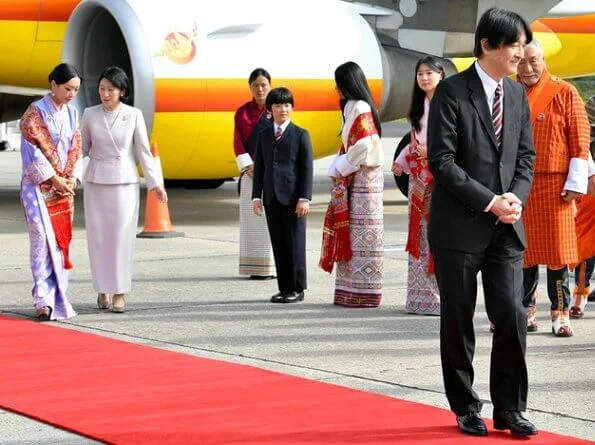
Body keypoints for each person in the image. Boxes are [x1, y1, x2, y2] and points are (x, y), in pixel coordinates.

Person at [427, 8, 537, 437]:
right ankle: (466, 405)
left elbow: (525, 158)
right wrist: (490, 200)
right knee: (458, 318)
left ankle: (510, 409)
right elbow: (442, 161)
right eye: (514, 44)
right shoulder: (452, 93)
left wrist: (515, 199)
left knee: (511, 313)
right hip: (459, 228)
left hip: (506, 227)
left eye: (523, 43)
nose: (521, 53)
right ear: (487, 45)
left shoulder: (516, 96)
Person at [516, 41, 590, 336]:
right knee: (521, 254)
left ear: (544, 60)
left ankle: (560, 313)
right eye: (521, 61)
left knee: (558, 254)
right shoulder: (506, 92)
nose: (528, 68)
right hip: (518, 184)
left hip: (556, 185)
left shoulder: (564, 91)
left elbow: (580, 138)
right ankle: (524, 311)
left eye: (534, 61)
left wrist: (576, 182)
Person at [81, 66, 167, 313]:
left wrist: (155, 184)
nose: (105, 94)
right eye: (102, 89)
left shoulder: (134, 115)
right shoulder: (89, 114)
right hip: (97, 181)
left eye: (110, 89)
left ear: (122, 91)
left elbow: (143, 150)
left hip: (125, 183)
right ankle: (102, 289)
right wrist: (72, 176)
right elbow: (81, 149)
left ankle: (119, 292)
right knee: (98, 238)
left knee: (121, 238)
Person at [19, 63, 83, 321]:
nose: (71, 94)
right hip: (38, 187)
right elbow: (29, 151)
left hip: (63, 187)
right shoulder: (35, 114)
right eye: (67, 88)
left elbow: (76, 148)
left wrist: (72, 179)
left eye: (76, 90)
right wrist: (53, 178)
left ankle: (59, 295)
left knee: (59, 241)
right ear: (53, 85)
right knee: (41, 239)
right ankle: (42, 298)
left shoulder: (72, 114)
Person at [322, 61, 384, 308]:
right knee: (354, 233)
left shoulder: (359, 107)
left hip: (364, 179)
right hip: (357, 177)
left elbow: (364, 145)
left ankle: (363, 292)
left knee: (362, 234)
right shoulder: (352, 106)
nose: (336, 88)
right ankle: (351, 290)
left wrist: (340, 166)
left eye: (339, 83)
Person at [392, 56, 445, 315]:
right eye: (420, 73)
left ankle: (439, 297)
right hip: (418, 178)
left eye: (429, 73)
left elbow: (455, 141)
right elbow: (413, 143)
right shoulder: (417, 106)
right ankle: (419, 298)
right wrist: (401, 160)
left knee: (436, 234)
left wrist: (430, 152)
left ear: (440, 75)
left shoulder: (448, 104)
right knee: (419, 234)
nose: (424, 78)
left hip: (440, 178)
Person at [252, 87, 313, 303]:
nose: (283, 109)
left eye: (287, 105)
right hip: (271, 197)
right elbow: (260, 167)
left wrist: (304, 198)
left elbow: (306, 169)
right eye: (278, 105)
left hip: (294, 198)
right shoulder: (264, 135)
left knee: (295, 243)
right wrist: (256, 197)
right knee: (279, 244)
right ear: (270, 109)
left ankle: (297, 288)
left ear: (292, 108)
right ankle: (284, 287)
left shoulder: (301, 135)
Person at [233, 68, 276, 280]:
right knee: (252, 220)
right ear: (250, 87)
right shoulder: (242, 113)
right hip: (250, 174)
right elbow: (238, 142)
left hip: (272, 174)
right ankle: (255, 266)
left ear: (270, 86)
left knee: (272, 221)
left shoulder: (276, 110)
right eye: (256, 85)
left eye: (264, 85)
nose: (260, 89)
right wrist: (249, 167)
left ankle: (273, 267)